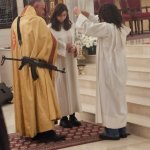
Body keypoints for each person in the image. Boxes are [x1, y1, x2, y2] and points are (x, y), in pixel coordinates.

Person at [74, 4, 131, 140]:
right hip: (120, 68)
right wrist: (89, 16)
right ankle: (121, 129)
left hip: (109, 69)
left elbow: (88, 28)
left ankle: (112, 132)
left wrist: (79, 15)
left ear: (105, 16)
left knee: (109, 99)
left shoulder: (106, 28)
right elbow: (98, 23)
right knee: (119, 99)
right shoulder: (119, 27)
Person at [11, 0, 64, 141]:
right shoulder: (37, 21)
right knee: (42, 97)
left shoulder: (15, 22)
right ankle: (45, 132)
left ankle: (30, 129)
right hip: (36, 67)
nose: (45, 11)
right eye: (43, 8)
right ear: (35, 6)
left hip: (22, 70)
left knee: (29, 97)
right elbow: (50, 43)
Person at [48, 3, 81, 128]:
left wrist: (75, 47)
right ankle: (63, 117)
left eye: (64, 15)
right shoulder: (50, 28)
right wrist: (63, 47)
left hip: (71, 61)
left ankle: (72, 115)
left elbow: (76, 39)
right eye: (60, 16)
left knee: (72, 87)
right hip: (60, 62)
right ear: (55, 15)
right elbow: (50, 44)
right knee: (61, 88)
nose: (62, 18)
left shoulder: (70, 25)